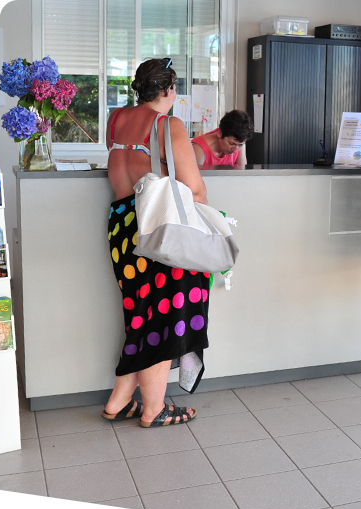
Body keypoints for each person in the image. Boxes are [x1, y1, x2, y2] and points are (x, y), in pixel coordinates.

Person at [103, 58, 209, 428]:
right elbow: (194, 189)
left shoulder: (116, 120)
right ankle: (154, 408)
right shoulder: (169, 124)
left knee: (140, 315)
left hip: (121, 224)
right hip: (159, 229)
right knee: (164, 319)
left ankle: (119, 401)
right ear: (169, 90)